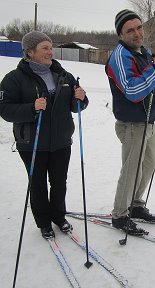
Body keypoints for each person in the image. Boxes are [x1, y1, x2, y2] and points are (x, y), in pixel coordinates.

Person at [0, 31, 89, 239]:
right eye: (45, 48)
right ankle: (43, 222)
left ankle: (59, 217)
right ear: (30, 52)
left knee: (59, 182)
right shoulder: (14, 79)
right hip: (32, 143)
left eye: (50, 47)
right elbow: (4, 109)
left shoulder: (62, 74)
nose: (50, 52)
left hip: (61, 141)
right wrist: (31, 107)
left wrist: (81, 98)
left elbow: (76, 106)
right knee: (38, 184)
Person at [105, 9, 155, 235]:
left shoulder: (142, 52)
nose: (137, 33)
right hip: (132, 125)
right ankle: (120, 215)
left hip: (148, 122)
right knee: (132, 171)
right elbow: (133, 90)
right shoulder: (120, 57)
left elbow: (152, 84)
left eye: (139, 27)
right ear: (120, 34)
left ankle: (135, 205)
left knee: (147, 166)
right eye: (130, 30)